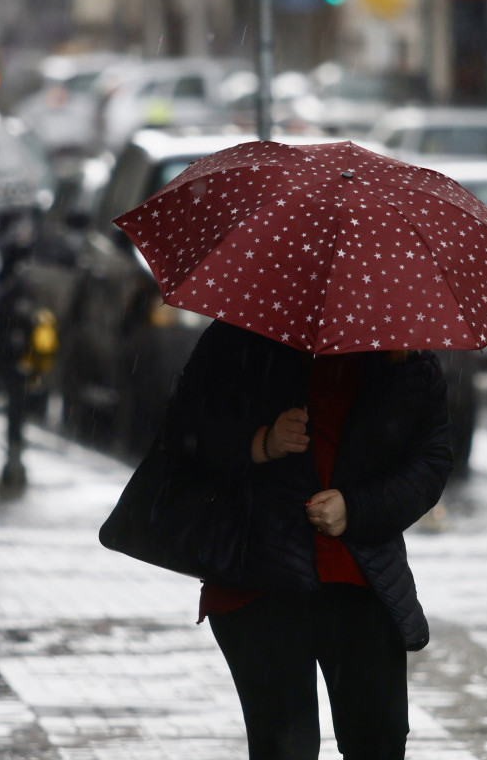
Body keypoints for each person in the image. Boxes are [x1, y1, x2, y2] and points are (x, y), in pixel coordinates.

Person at [161, 320, 453, 759]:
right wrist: (261, 442)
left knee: (379, 740)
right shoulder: (239, 337)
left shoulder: (405, 356)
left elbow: (431, 460)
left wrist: (357, 508)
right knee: (286, 746)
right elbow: (187, 431)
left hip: (361, 579)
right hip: (260, 575)